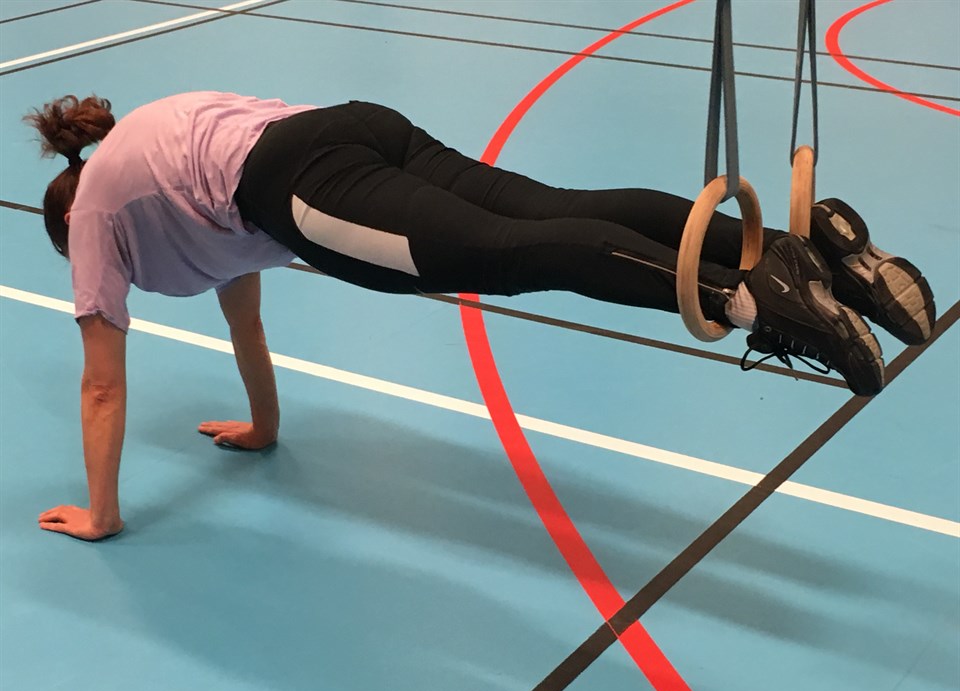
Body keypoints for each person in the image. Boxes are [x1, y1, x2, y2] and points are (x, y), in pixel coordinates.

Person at [24, 92, 935, 541]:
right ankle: (807, 252)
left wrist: (102, 514)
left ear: (72, 230)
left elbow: (101, 386)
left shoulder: (95, 215)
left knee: (506, 254)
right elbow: (246, 324)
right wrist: (263, 428)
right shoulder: (161, 171)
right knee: (550, 208)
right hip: (354, 127)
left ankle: (748, 298)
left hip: (301, 178)